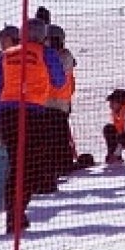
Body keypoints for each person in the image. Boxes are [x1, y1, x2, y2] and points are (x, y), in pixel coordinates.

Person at [0, 17, 67, 232]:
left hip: (7, 113)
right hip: (32, 112)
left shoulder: (6, 55)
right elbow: (59, 81)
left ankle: (13, 212)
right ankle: (18, 210)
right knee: (31, 164)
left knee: (15, 162)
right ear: (42, 36)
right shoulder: (46, 53)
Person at [45, 24, 78, 175]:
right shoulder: (54, 55)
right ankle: (58, 164)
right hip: (49, 102)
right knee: (54, 134)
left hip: (59, 102)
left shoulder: (64, 56)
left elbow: (55, 77)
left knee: (59, 135)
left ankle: (64, 164)